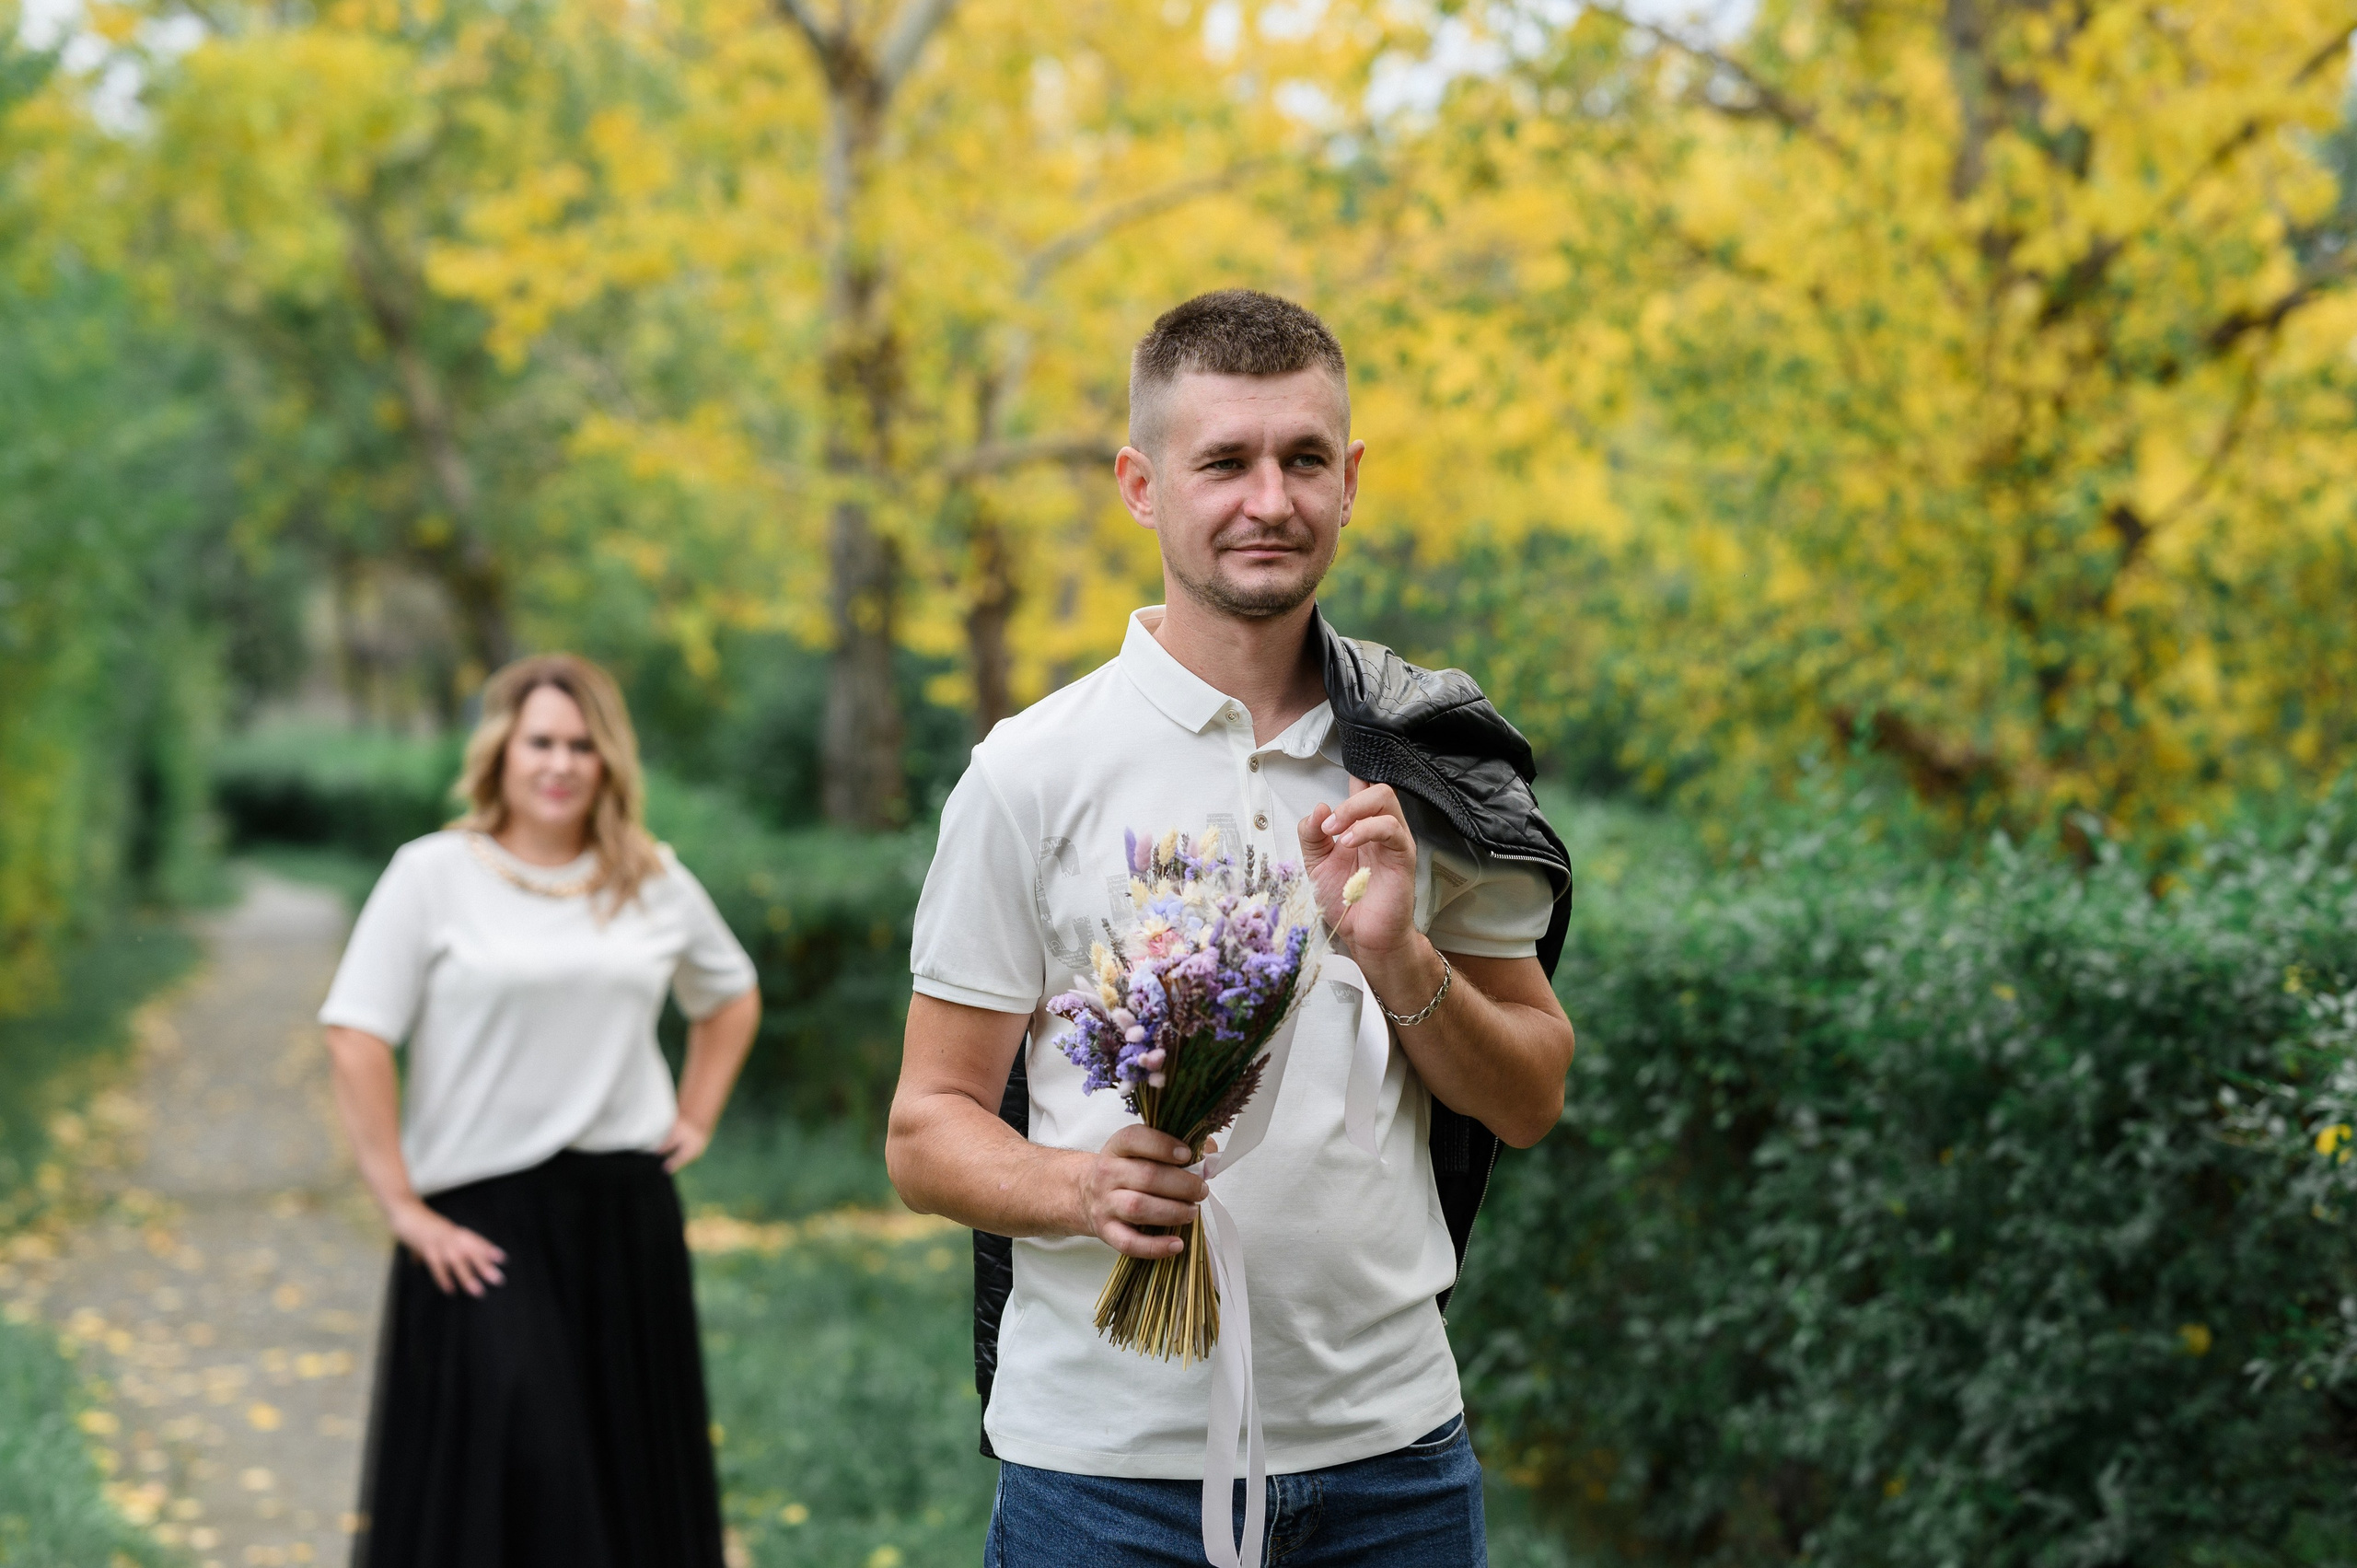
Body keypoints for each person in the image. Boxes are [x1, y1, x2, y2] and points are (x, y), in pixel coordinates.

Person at [890, 290, 1578, 1566]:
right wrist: (1081, 1184)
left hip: (1394, 1465)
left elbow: (1531, 1096)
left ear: (1350, 480)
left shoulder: (1428, 759)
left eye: (1304, 458)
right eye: (1225, 462)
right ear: (1141, 485)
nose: (1271, 499)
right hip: (1104, 1480)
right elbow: (926, 1126)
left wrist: (1400, 955)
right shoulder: (1027, 773)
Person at [318, 653, 761, 1568]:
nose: (560, 763)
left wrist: (697, 1112)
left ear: (608, 760)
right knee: (531, 1473)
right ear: (502, 751)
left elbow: (730, 994)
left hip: (623, 1217)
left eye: (581, 745)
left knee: (625, 1486)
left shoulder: (651, 878)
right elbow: (355, 1032)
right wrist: (401, 1205)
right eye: (541, 741)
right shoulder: (431, 873)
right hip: (479, 1224)